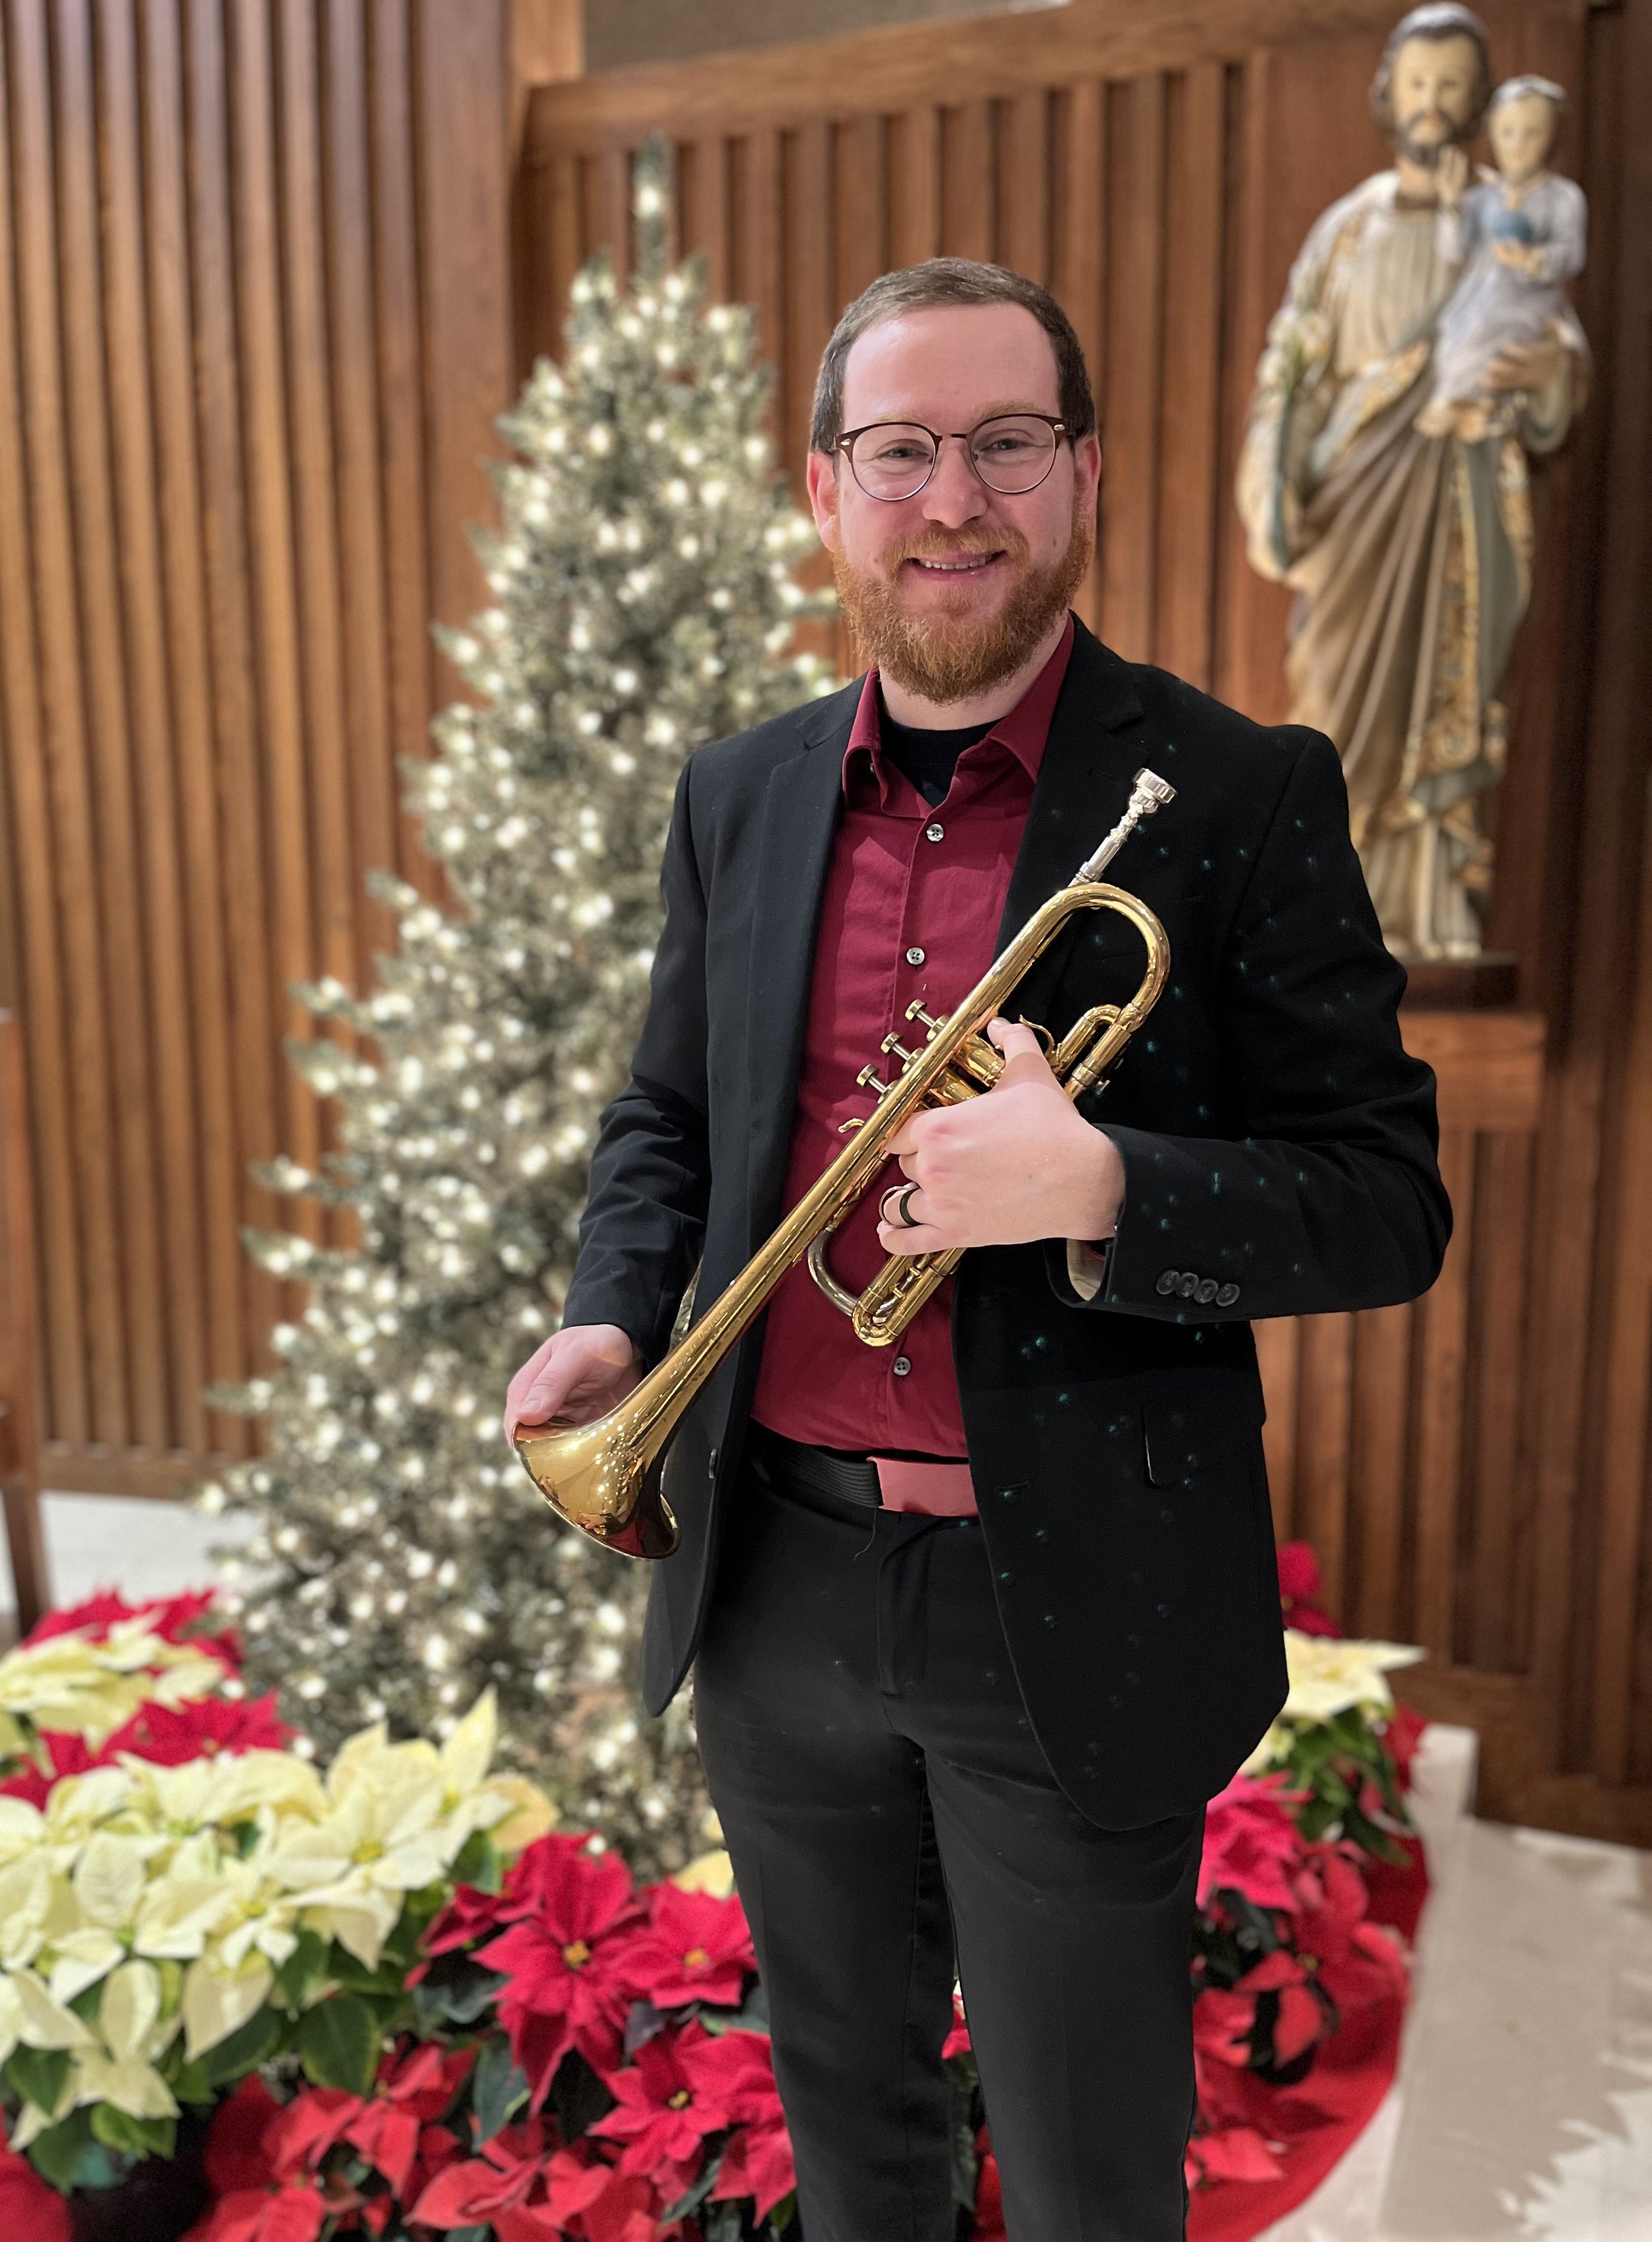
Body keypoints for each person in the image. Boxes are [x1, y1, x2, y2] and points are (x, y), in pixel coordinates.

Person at [504, 258, 1450, 2242]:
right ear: (826, 486)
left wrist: (1096, 1182)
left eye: (1004, 442)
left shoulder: (1238, 793)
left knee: (1093, 2178)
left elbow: (1380, 1196)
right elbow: (664, 1119)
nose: (952, 497)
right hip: (772, 1577)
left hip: (1067, 1604)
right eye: (902, 448)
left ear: (1080, 473)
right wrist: (609, 1318)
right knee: (852, 2149)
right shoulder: (737, 793)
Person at [1236, 5, 1587, 960]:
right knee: (1330, 707)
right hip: (1356, 504)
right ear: (1388, 93)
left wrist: (1548, 375)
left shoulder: (1505, 216)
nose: (1432, 103)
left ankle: (1428, 918)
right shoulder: (1348, 231)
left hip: (1461, 496)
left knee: (1449, 689)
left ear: (1478, 101)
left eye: (1452, 86)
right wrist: (1278, 485)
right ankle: (1321, 922)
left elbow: (1547, 332)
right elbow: (1293, 365)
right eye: (1417, 83)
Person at [1420, 76, 1586, 438]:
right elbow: (1452, 249)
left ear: (1552, 137)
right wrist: (1451, 204)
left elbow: (1572, 253)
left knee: (1489, 333)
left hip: (1528, 299)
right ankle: (1464, 404)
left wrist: (1533, 260)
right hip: (1480, 293)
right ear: (1493, 137)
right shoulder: (1484, 199)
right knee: (1454, 328)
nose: (1519, 145)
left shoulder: (1562, 198)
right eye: (1508, 133)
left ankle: (1462, 403)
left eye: (1532, 133)